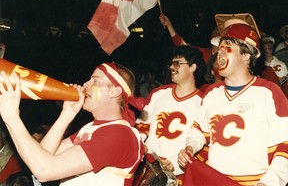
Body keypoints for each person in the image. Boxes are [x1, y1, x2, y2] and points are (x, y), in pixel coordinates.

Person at [0, 62, 145, 186]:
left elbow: (44, 170)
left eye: (95, 81)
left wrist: (12, 118)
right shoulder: (93, 128)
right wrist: (66, 115)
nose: (86, 84)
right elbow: (42, 155)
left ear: (115, 91)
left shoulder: (120, 135)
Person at [178, 23, 288, 185]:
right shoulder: (211, 92)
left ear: (246, 55)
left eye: (227, 47)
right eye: (219, 47)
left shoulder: (269, 92)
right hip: (213, 181)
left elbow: (284, 146)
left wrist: (269, 183)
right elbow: (200, 131)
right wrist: (190, 147)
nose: (219, 53)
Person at [135, 45, 206, 185]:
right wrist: (138, 146)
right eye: (171, 64)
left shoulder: (203, 103)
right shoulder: (158, 94)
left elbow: (203, 146)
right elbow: (141, 127)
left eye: (177, 63)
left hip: (178, 177)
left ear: (193, 67)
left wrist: (175, 163)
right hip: (147, 171)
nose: (172, 68)